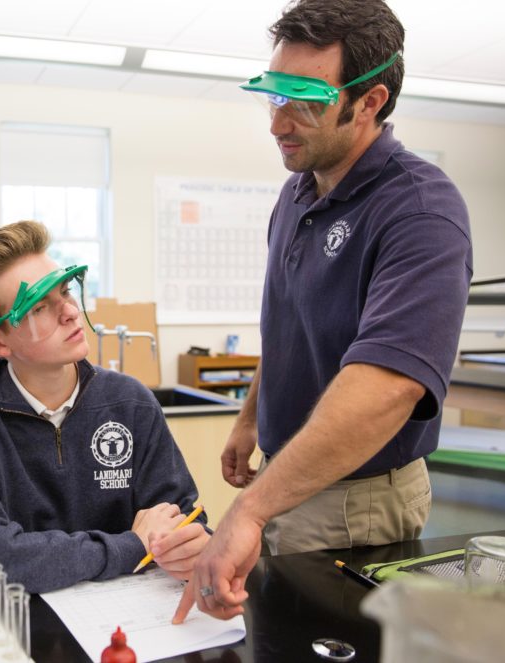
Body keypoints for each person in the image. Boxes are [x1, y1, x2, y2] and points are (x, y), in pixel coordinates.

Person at [172, 0, 472, 622]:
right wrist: (253, 417)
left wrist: (250, 509)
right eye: (273, 95)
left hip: (354, 499)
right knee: (278, 636)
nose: (278, 121)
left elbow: (388, 386)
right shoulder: (297, 191)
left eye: (303, 98)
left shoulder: (420, 211)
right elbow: (290, 324)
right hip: (288, 477)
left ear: (369, 101)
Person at [0, 220, 209, 594]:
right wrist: (132, 545)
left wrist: (191, 545)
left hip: (126, 621)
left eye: (65, 291)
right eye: (39, 308)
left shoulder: (131, 403)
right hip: (17, 626)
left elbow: (183, 520)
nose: (70, 312)